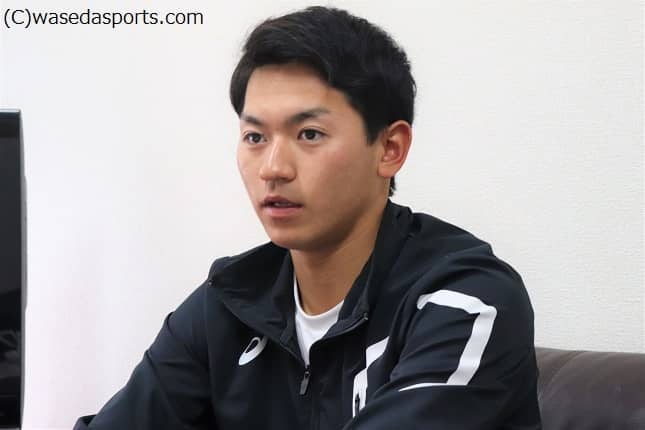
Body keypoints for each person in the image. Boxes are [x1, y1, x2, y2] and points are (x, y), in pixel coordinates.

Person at [74, 6, 541, 429]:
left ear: (390, 148)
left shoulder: (466, 301)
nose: (273, 168)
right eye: (255, 137)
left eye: (310, 134)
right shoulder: (228, 302)